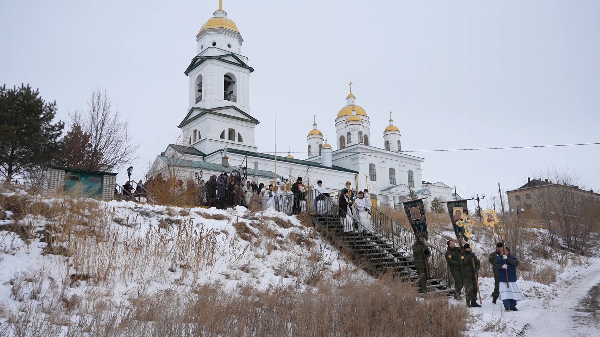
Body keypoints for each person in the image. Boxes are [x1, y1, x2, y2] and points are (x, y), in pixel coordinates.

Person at [494, 247, 525, 311]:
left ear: (508, 251)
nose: (502, 252)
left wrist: (508, 259)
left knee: (512, 292)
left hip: (511, 278)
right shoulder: (498, 258)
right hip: (503, 279)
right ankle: (507, 306)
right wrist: (501, 266)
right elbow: (495, 266)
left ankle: (513, 306)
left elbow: (515, 263)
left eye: (504, 250)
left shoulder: (512, 257)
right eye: (501, 251)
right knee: (505, 293)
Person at [460, 243, 481, 307]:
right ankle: (468, 302)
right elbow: (462, 263)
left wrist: (477, 268)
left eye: (470, 248)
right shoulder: (462, 255)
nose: (469, 249)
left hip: (474, 274)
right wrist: (469, 257)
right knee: (469, 288)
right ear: (465, 248)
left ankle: (474, 302)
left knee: (475, 288)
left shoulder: (473, 255)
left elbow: (477, 263)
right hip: (467, 275)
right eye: (468, 248)